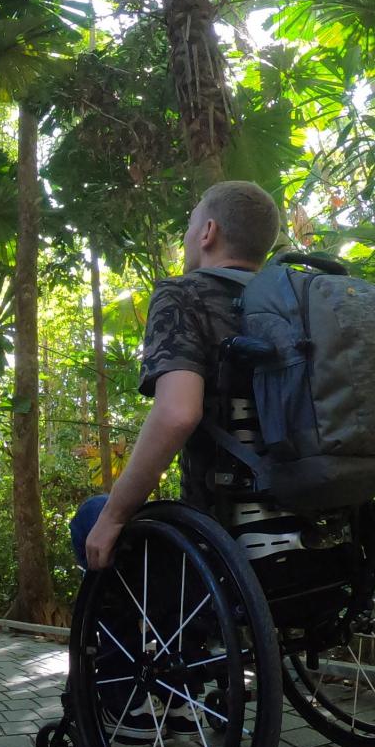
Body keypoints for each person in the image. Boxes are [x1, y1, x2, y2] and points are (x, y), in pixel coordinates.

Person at [71, 178, 281, 569]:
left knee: (92, 516)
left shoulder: (182, 294)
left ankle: (137, 631)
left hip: (221, 533)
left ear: (208, 232)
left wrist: (114, 516)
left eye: (189, 226)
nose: (186, 236)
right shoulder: (294, 304)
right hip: (320, 517)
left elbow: (178, 413)